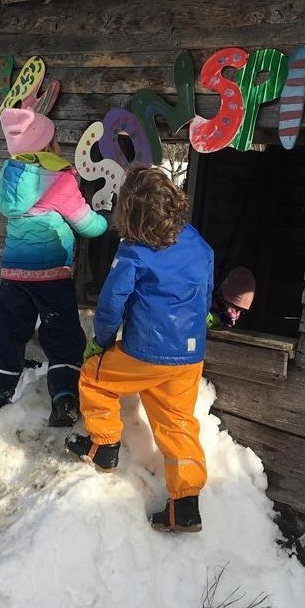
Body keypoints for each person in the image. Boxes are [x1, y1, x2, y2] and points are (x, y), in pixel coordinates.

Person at [65, 166, 214, 533]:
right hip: (189, 356)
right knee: (178, 423)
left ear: (127, 212)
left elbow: (112, 302)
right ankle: (186, 504)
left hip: (145, 351)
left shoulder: (134, 251)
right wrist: (202, 319)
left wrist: (101, 341)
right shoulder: (197, 242)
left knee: (95, 378)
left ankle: (104, 447)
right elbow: (205, 290)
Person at [0, 107, 109, 427]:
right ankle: (64, 396)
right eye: (54, 141)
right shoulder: (59, 179)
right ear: (47, 146)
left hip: (14, 274)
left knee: (7, 332)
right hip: (51, 273)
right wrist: (106, 224)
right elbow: (86, 224)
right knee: (62, 332)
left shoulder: (9, 177)